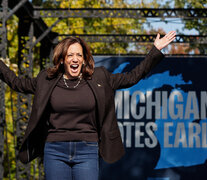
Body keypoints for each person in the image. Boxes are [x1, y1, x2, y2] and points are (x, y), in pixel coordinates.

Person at [0, 31, 176, 180]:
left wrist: (155, 51)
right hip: (55, 150)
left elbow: (132, 77)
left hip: (87, 149)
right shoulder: (46, 80)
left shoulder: (100, 77)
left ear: (84, 60)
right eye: (70, 55)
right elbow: (17, 83)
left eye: (79, 55)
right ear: (62, 60)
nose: (75, 59)